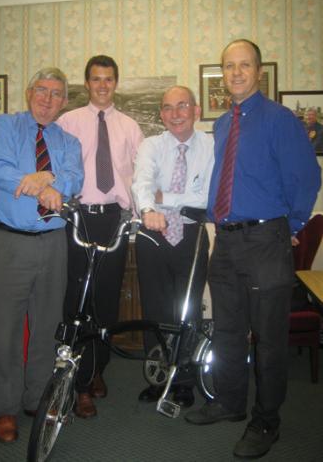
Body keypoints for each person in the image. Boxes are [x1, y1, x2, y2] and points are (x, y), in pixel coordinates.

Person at [185, 39, 321, 459]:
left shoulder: (280, 119)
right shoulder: (223, 124)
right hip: (225, 241)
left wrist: (291, 225)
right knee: (226, 330)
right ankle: (229, 402)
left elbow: (307, 177)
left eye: (245, 65)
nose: (237, 72)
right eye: (229, 66)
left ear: (258, 72)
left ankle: (267, 420)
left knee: (269, 339)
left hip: (265, 241)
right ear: (222, 74)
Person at [0, 67, 84, 444]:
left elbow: (74, 179)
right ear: (29, 93)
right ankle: (5, 408)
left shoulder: (68, 141)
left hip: (53, 244)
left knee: (46, 329)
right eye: (42, 90)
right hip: (8, 242)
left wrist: (45, 178)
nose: (48, 98)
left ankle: (36, 400)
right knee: (5, 331)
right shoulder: (5, 126)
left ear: (64, 102)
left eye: (57, 93)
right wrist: (44, 182)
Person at [57, 55, 144, 418]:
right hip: (78, 218)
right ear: (87, 83)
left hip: (114, 219)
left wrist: (138, 218)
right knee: (77, 301)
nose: (103, 85)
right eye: (96, 79)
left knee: (107, 303)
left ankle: (97, 370)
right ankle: (79, 385)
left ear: (116, 82)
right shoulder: (67, 122)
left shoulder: (130, 127)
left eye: (109, 79)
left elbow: (140, 177)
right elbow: (56, 170)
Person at [132, 86, 214, 407]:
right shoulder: (150, 145)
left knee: (188, 310)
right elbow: (142, 183)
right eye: (168, 108)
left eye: (182, 106)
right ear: (161, 114)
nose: (175, 113)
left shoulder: (212, 145)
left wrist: (166, 199)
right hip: (152, 235)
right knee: (155, 311)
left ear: (196, 110)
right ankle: (158, 378)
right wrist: (150, 208)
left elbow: (207, 199)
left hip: (191, 238)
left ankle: (184, 382)